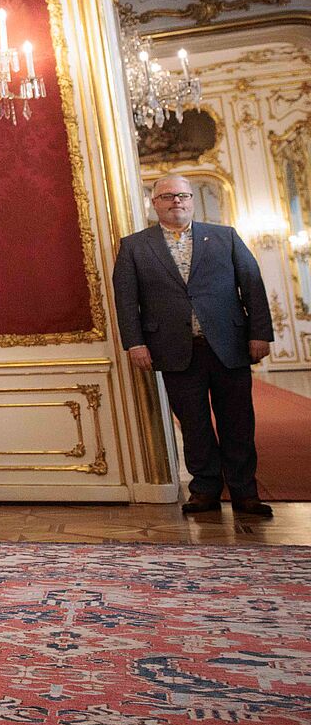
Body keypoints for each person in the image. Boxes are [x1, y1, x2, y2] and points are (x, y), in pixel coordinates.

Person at [112, 175, 275, 519]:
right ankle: (205, 490)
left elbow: (253, 286)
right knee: (194, 424)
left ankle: (245, 492)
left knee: (238, 422)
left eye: (183, 195)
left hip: (229, 345)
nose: (177, 201)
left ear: (192, 200)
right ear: (154, 203)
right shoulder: (134, 246)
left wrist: (260, 333)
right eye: (168, 196)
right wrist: (135, 343)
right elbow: (126, 301)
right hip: (173, 349)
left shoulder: (225, 237)